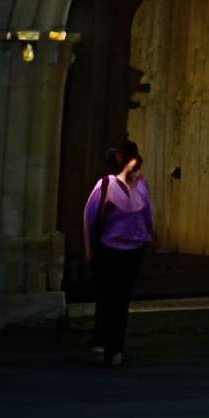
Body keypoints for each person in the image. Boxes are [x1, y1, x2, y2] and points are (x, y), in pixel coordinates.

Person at [81, 139, 151, 365]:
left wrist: (90, 246)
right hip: (121, 250)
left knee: (114, 299)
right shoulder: (117, 185)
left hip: (121, 250)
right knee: (114, 299)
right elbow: (90, 216)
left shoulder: (129, 185)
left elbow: (90, 217)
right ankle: (109, 347)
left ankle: (108, 347)